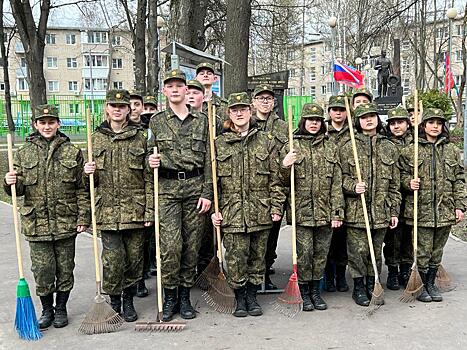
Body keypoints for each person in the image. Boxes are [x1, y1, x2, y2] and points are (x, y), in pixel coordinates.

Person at [3, 104, 89, 329]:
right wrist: (10, 181)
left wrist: (83, 217)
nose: (47, 126)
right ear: (35, 125)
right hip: (37, 222)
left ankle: (61, 309)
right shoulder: (23, 153)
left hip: (65, 219)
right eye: (43, 122)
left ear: (58, 124)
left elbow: (82, 188)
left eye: (51, 122)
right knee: (42, 270)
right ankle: (47, 310)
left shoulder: (72, 152)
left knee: (65, 268)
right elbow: (18, 190)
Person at [148, 69, 212, 321]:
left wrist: (207, 192)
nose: (175, 90)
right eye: (170, 86)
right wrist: (149, 160)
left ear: (187, 90)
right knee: (170, 246)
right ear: (164, 91)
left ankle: (185, 296)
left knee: (191, 246)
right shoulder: (156, 121)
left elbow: (209, 159)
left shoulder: (202, 121)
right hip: (167, 190)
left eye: (179, 86)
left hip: (195, 188)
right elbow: (147, 154)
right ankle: (170, 294)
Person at [211, 92, 283, 317]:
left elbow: (276, 178)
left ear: (250, 112)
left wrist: (276, 207)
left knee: (257, 258)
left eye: (243, 109)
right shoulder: (219, 144)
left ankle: (252, 297)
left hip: (259, 210)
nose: (239, 113)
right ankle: (239, 298)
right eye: (235, 110)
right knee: (235, 257)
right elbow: (212, 182)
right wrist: (215, 210)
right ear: (229, 114)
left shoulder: (266, 141)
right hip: (231, 211)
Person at [84, 89, 153, 322]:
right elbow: (88, 183)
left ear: (128, 109)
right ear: (106, 108)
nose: (117, 109)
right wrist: (87, 173)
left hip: (135, 208)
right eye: (113, 105)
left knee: (134, 259)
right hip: (108, 210)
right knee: (112, 261)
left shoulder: (140, 137)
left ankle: (129, 300)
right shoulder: (96, 138)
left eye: (122, 106)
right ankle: (114, 300)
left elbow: (147, 178)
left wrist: (150, 210)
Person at [280, 103, 344, 311]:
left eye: (317, 120)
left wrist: (337, 212)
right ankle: (304, 291)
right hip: (302, 212)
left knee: (320, 254)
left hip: (325, 211)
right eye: (310, 120)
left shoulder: (330, 147)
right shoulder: (292, 146)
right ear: (303, 122)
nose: (314, 123)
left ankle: (316, 291)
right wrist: (284, 165)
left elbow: (336, 183)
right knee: (304, 254)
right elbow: (280, 181)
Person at [399, 108, 466, 302]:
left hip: (444, 209)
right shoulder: (411, 150)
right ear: (423, 125)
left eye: (439, 123)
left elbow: (459, 179)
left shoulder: (451, 150)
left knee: (437, 251)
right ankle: (420, 285)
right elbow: (400, 176)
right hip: (421, 211)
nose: (435, 126)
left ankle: (430, 283)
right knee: (421, 251)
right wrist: (408, 183)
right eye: (431, 122)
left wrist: (459, 206)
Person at [338, 102, 401, 307]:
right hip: (358, 211)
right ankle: (358, 287)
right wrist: (352, 186)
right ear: (358, 121)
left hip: (381, 211)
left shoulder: (388, 146)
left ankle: (373, 283)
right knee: (357, 252)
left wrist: (393, 210)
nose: (369, 120)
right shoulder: (349, 147)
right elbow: (340, 177)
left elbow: (394, 182)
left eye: (372, 116)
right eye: (364, 117)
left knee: (375, 251)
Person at [185, 79, 223, 279]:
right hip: (183, 186)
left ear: (204, 96)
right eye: (188, 92)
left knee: (208, 233)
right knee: (188, 235)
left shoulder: (212, 120)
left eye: (195, 93)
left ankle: (207, 272)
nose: (191, 96)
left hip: (209, 182)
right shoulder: (174, 122)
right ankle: (188, 273)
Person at [251, 84, 288, 290]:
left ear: (274, 102)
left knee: (272, 234)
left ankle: (265, 272)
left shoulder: (282, 127)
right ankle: (251, 276)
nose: (265, 102)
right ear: (254, 101)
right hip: (252, 187)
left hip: (274, 186)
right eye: (261, 98)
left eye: (268, 98)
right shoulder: (247, 123)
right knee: (254, 235)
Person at [383, 107, 413, 290]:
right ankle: (393, 271)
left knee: (408, 237)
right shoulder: (386, 144)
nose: (396, 126)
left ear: (407, 123)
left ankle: (406, 269)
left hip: (411, 199)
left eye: (400, 122)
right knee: (393, 237)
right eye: (392, 123)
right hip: (392, 197)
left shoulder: (417, 143)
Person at [324, 95, 350, 293]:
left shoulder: (354, 133)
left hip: (349, 194)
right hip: (329, 191)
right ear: (329, 112)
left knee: (344, 239)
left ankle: (341, 275)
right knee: (328, 238)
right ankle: (328, 275)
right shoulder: (323, 132)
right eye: (335, 109)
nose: (338, 112)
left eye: (342, 109)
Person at [128, 90, 151, 299]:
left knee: (143, 244)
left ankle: (142, 276)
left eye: (137, 104)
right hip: (116, 202)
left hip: (141, 196)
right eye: (130, 104)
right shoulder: (104, 133)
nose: (134, 108)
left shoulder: (147, 131)